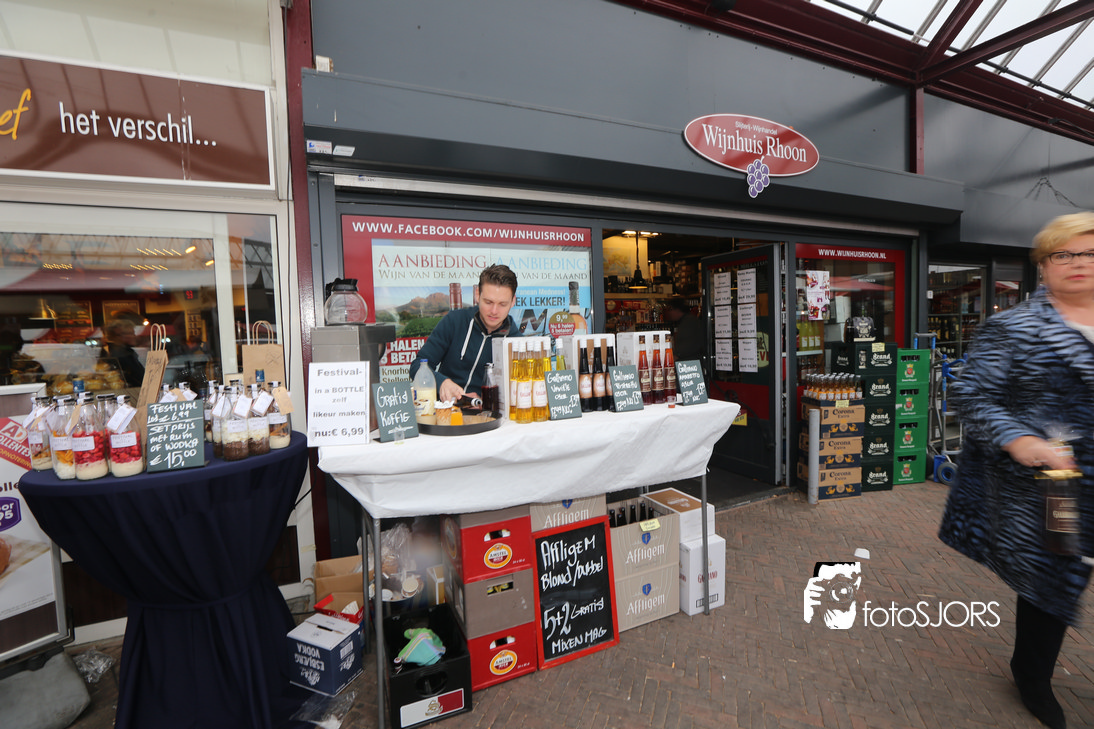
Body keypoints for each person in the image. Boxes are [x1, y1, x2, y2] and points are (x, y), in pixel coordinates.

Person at [939, 212, 1094, 729]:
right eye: (1063, 254)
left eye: (1090, 253)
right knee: (1052, 582)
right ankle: (1032, 676)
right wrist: (1019, 438)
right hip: (1049, 488)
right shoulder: (1014, 326)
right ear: (1043, 266)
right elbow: (969, 393)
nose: (1078, 263)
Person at [409, 264, 519, 402]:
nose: (494, 311)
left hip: (487, 413)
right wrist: (442, 382)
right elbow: (417, 366)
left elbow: (519, 392)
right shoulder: (454, 321)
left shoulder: (516, 341)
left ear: (513, 301)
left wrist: (485, 401)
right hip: (446, 410)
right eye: (488, 302)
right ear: (477, 294)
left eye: (502, 304)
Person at [101, 318, 145, 387]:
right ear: (118, 336)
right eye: (130, 333)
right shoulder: (121, 355)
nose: (134, 336)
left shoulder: (126, 352)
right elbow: (138, 378)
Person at [663, 299, 705, 363]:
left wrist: (676, 355)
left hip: (690, 362)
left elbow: (688, 344)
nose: (669, 313)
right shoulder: (688, 320)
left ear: (677, 310)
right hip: (692, 361)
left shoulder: (688, 322)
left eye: (671, 309)